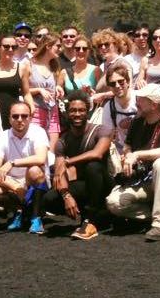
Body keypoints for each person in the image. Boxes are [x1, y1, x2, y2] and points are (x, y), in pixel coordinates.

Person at [105, 84, 160, 242]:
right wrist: (126, 157)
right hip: (142, 179)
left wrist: (138, 155)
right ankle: (156, 214)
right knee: (113, 203)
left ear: (154, 105)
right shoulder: (136, 122)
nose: (136, 101)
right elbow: (128, 147)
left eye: (141, 99)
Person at [43, 91, 112, 240]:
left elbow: (97, 154)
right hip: (85, 185)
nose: (77, 114)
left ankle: (92, 220)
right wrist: (66, 195)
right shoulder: (63, 141)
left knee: (93, 166)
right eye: (73, 110)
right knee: (50, 199)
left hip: (105, 184)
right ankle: (94, 216)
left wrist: (68, 161)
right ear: (67, 113)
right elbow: (59, 171)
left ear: (88, 112)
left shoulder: (102, 130)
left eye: (81, 110)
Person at [0, 102, 49, 234]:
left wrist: (12, 162)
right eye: (15, 116)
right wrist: (17, 188)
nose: (19, 119)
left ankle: (36, 217)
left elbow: (40, 158)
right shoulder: (2, 136)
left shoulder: (39, 132)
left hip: (33, 180)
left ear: (30, 118)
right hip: (12, 182)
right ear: (9, 118)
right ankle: (19, 210)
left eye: (24, 116)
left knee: (34, 170)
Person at [0, 34, 35, 130]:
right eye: (6, 47)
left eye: (13, 47)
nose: (10, 50)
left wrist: (31, 108)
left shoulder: (22, 68)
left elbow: (26, 93)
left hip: (15, 116)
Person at [28, 35, 64, 149]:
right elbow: (21, 90)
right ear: (48, 46)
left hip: (52, 112)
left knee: (52, 151)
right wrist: (39, 90)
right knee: (36, 148)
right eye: (57, 46)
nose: (60, 49)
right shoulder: (29, 64)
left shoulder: (54, 66)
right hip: (35, 112)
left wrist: (58, 88)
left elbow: (54, 85)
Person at [97, 63, 137, 153]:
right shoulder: (109, 107)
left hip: (143, 147)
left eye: (121, 81)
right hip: (122, 150)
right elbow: (107, 135)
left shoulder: (139, 99)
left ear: (128, 81)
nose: (117, 86)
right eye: (112, 83)